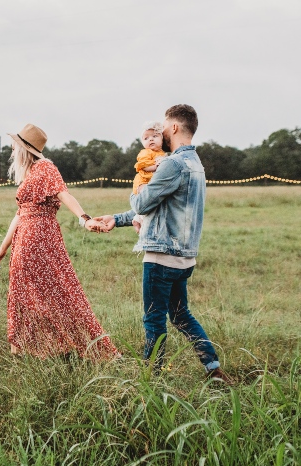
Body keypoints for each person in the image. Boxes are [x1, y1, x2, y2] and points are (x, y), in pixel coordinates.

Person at [92, 105, 232, 383]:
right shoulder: (196, 165)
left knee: (154, 319)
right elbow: (160, 208)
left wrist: (138, 190)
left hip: (161, 256)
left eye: (165, 127)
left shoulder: (172, 163)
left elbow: (144, 202)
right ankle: (213, 369)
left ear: (176, 128)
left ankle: (151, 378)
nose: (161, 132)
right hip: (184, 257)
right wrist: (117, 219)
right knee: (181, 316)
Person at [0, 123, 120, 360]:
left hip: (39, 237)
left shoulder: (45, 167)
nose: (11, 149)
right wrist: (2, 249)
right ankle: (26, 347)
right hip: (26, 237)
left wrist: (84, 219)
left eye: (14, 145)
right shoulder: (29, 173)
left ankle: (63, 344)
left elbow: (64, 194)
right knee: (25, 291)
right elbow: (20, 214)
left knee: (55, 290)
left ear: (24, 148)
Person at [132, 121, 166, 234]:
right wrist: (155, 167)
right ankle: (140, 221)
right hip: (143, 181)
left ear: (162, 139)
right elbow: (143, 166)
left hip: (151, 181)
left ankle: (137, 219)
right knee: (147, 198)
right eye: (146, 138)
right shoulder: (146, 152)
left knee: (151, 202)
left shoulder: (162, 153)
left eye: (155, 136)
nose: (150, 139)